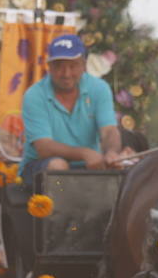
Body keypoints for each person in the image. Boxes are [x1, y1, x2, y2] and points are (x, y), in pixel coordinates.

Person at [19, 33, 131, 184]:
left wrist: (111, 152)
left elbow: (109, 130)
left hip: (89, 165)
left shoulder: (99, 88)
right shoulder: (34, 95)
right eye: (59, 66)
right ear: (49, 67)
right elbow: (43, 147)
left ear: (84, 65)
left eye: (73, 66)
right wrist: (84, 153)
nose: (66, 74)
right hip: (40, 166)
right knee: (58, 165)